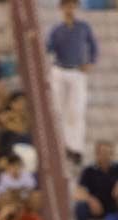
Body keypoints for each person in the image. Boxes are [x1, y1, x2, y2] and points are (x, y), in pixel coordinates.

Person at [45, 0, 96, 165]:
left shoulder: (83, 27)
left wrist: (91, 62)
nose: (69, 9)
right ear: (61, 8)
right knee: (59, 109)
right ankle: (63, 145)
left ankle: (76, 147)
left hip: (77, 71)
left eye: (72, 5)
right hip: (60, 70)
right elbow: (48, 48)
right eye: (66, 5)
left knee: (76, 111)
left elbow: (93, 46)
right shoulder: (56, 29)